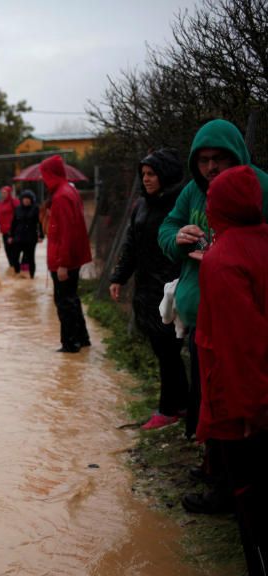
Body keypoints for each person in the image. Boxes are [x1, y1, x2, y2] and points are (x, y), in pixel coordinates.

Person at [157, 119, 268, 512]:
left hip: (238, 327)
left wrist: (224, 253)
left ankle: (232, 491)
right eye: (202, 160)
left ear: (235, 154)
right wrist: (177, 238)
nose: (210, 167)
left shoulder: (257, 186)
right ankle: (216, 471)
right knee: (209, 404)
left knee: (236, 410)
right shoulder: (192, 191)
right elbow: (166, 228)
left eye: (218, 158)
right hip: (201, 322)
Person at [194, 165, 268, 576]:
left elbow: (242, 346)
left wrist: (249, 414)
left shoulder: (224, 262)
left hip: (245, 404)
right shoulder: (262, 242)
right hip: (257, 393)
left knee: (252, 498)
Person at [109, 149, 188, 430]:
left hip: (171, 289)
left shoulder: (178, 205)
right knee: (163, 350)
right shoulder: (141, 206)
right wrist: (118, 277)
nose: (146, 180)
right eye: (143, 175)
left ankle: (169, 409)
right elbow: (131, 245)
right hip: (146, 289)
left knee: (169, 350)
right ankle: (180, 404)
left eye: (151, 174)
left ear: (164, 175)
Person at [42, 154, 92, 352]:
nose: (43, 180)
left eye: (44, 175)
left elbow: (67, 232)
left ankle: (70, 344)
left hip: (63, 260)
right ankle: (82, 338)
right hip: (70, 258)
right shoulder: (67, 191)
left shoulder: (62, 196)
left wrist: (63, 263)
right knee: (72, 299)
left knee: (64, 302)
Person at [10, 189, 42, 278]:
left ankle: (32, 277)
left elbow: (39, 223)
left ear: (31, 200)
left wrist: (41, 236)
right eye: (24, 198)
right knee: (14, 257)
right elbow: (14, 223)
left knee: (31, 258)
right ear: (21, 199)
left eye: (28, 199)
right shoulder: (17, 209)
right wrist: (11, 236)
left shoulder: (35, 209)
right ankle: (17, 273)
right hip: (18, 237)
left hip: (30, 238)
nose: (26, 200)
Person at [0, 185, 20, 274]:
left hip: (12, 231)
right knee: (7, 251)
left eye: (5, 193)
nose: (3, 194)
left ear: (9, 193)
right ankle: (12, 269)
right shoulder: (0, 203)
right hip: (4, 231)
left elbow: (19, 213)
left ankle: (16, 269)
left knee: (13, 251)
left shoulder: (14, 202)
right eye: (2, 193)